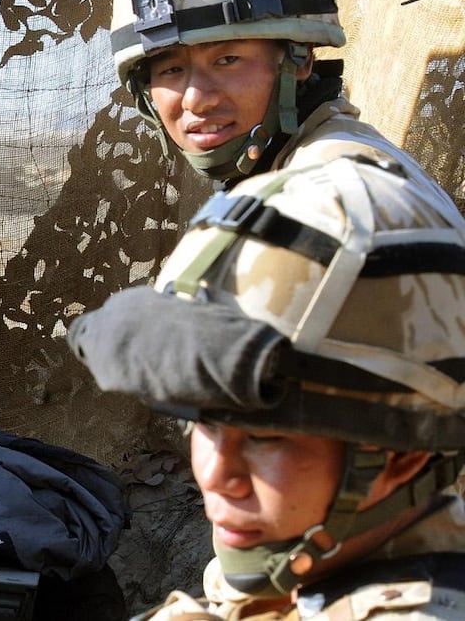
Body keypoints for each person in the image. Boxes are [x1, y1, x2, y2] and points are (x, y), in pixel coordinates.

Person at [69, 152, 465, 619]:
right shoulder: (308, 560)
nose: (215, 475)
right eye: (204, 422)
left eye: (264, 436)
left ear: (402, 456)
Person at [110, 0, 458, 213]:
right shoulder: (300, 171)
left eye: (227, 60)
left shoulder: (325, 200)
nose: (196, 100)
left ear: (300, 59)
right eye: (170, 69)